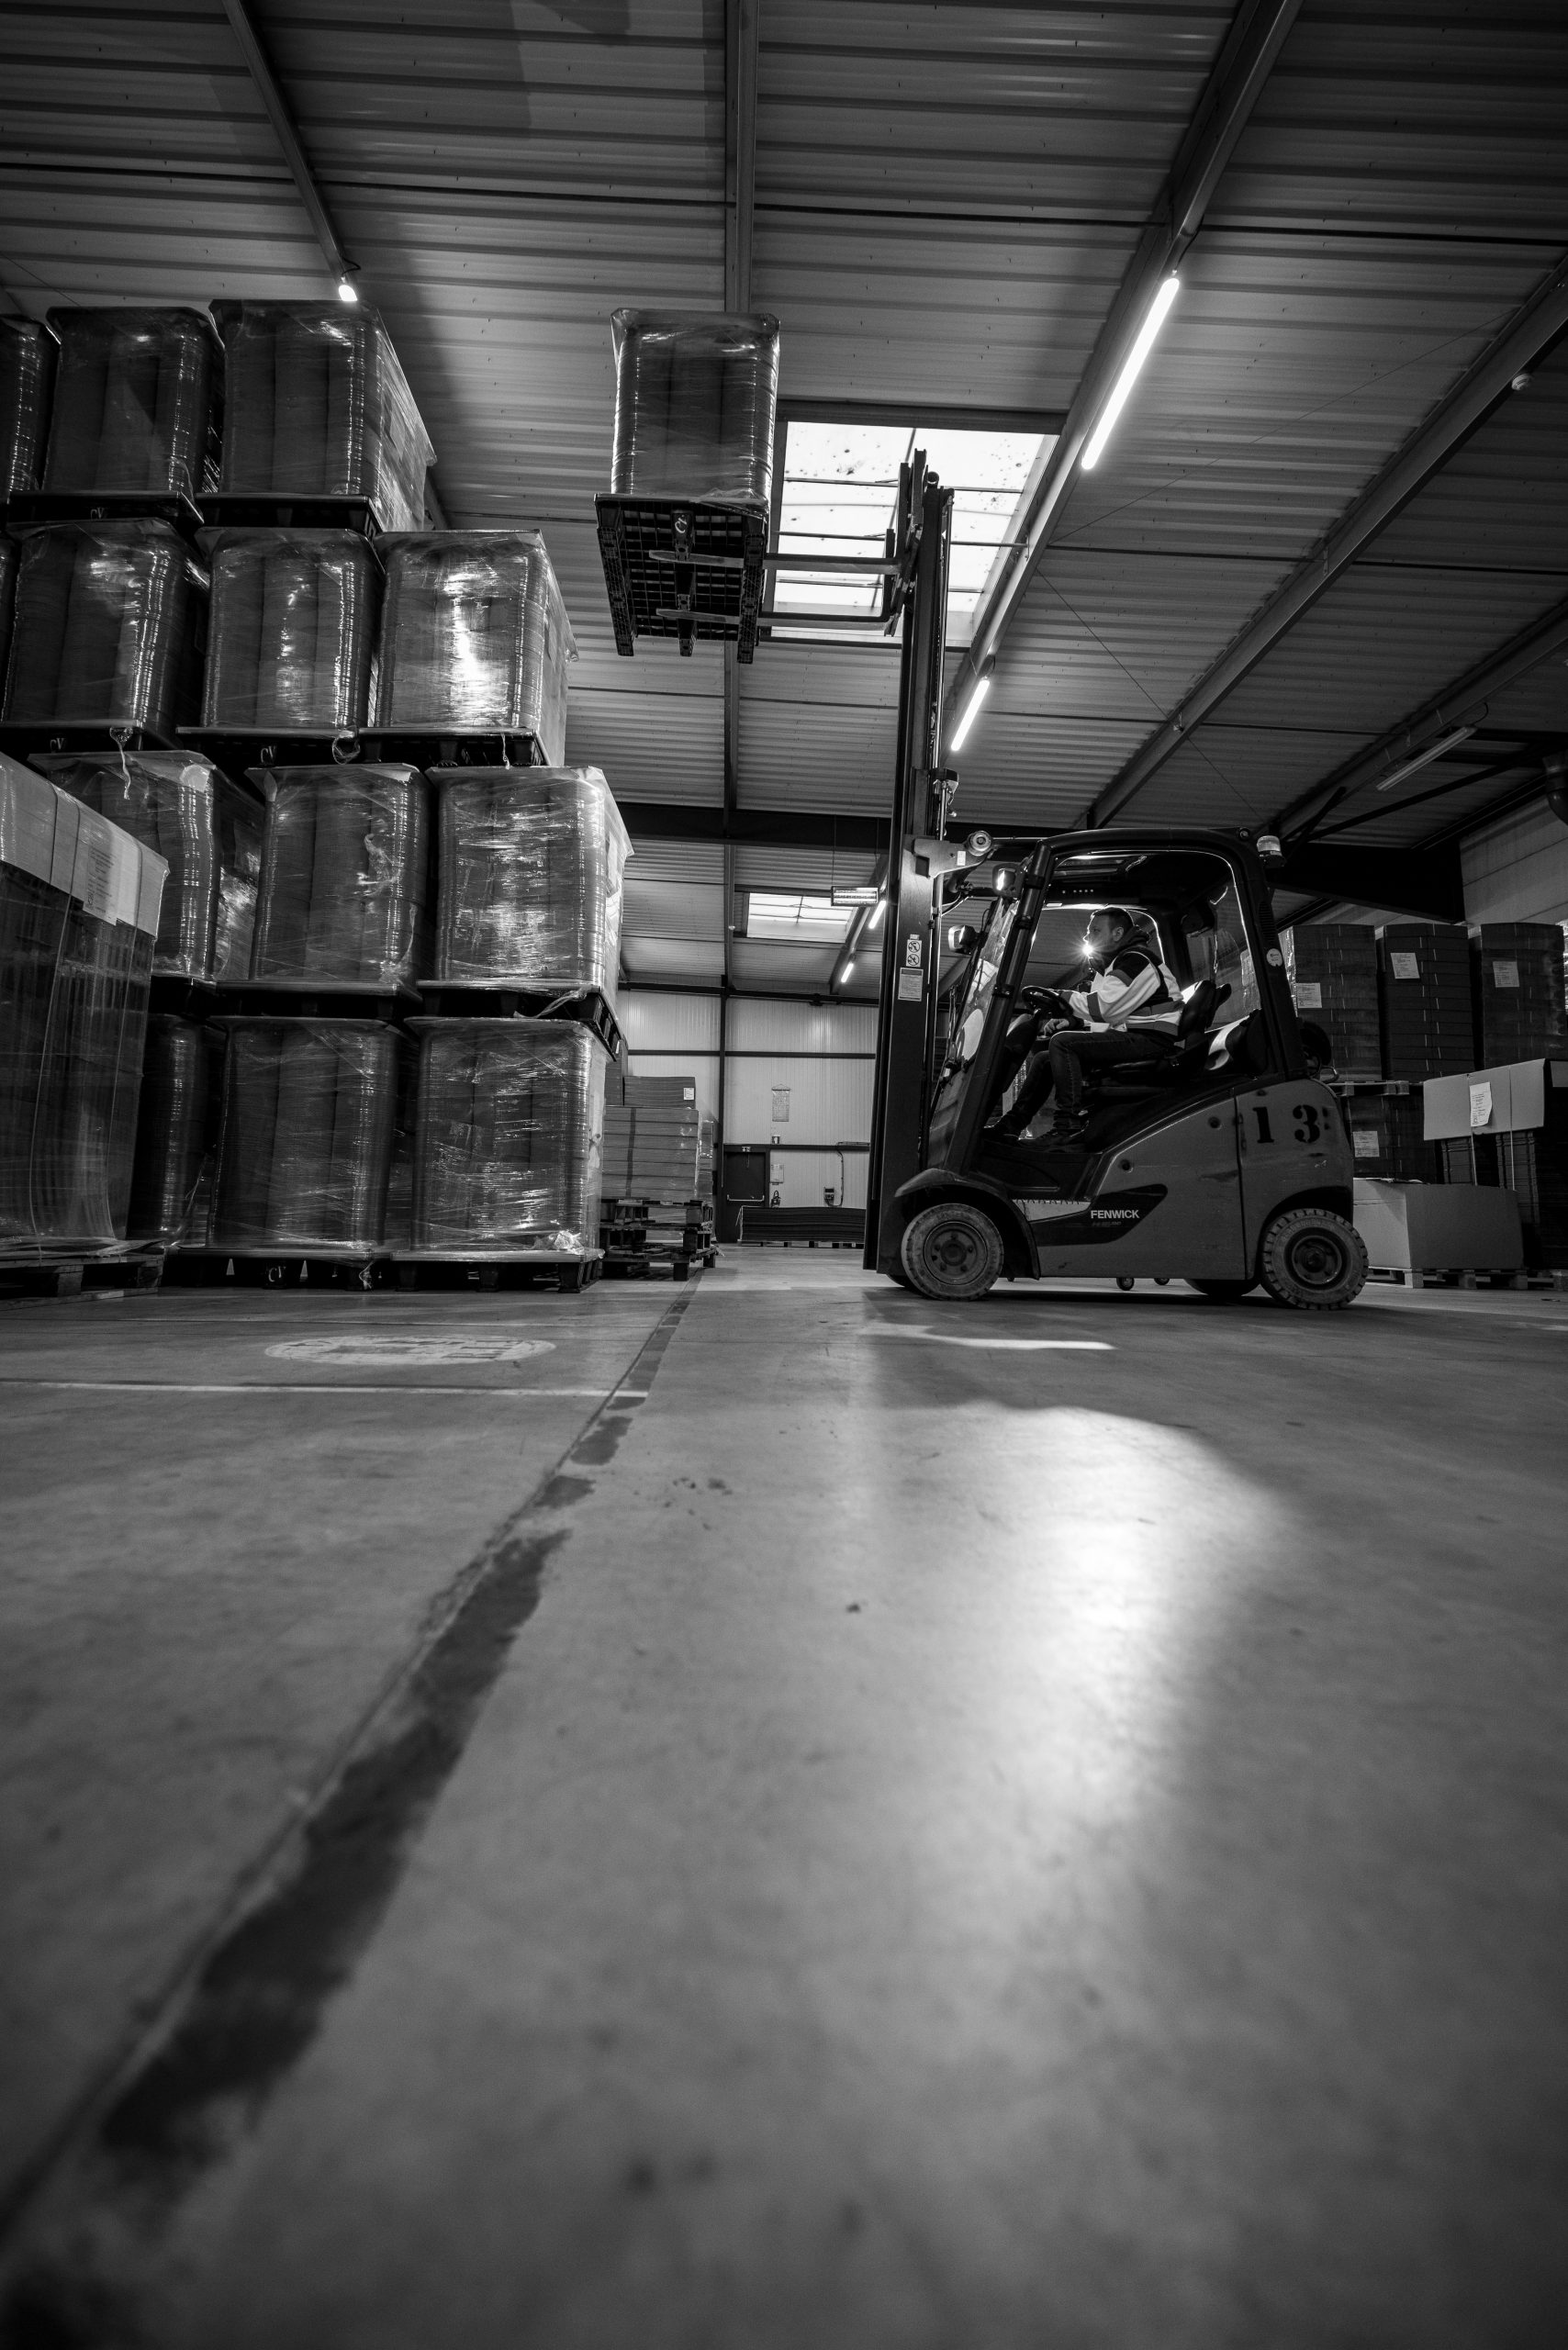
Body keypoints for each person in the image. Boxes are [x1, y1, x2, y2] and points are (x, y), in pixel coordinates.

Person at [995, 906, 1183, 1145]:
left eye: (1095, 930)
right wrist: (1072, 1020)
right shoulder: (1112, 965)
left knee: (1063, 1043)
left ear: (1117, 933)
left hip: (1153, 1040)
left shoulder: (1136, 960)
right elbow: (1107, 1011)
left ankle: (1067, 1127)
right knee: (1045, 1058)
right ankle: (1009, 1127)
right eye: (1089, 931)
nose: (1087, 937)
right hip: (1133, 1034)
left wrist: (1062, 997)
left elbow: (1105, 1007)